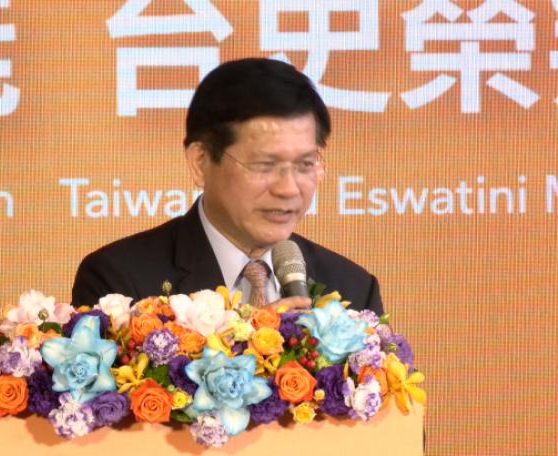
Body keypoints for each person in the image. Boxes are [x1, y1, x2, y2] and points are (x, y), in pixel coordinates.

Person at [71, 58, 383, 315]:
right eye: (264, 165)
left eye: (305, 164)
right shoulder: (121, 284)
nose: (289, 189)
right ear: (201, 162)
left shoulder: (352, 289)